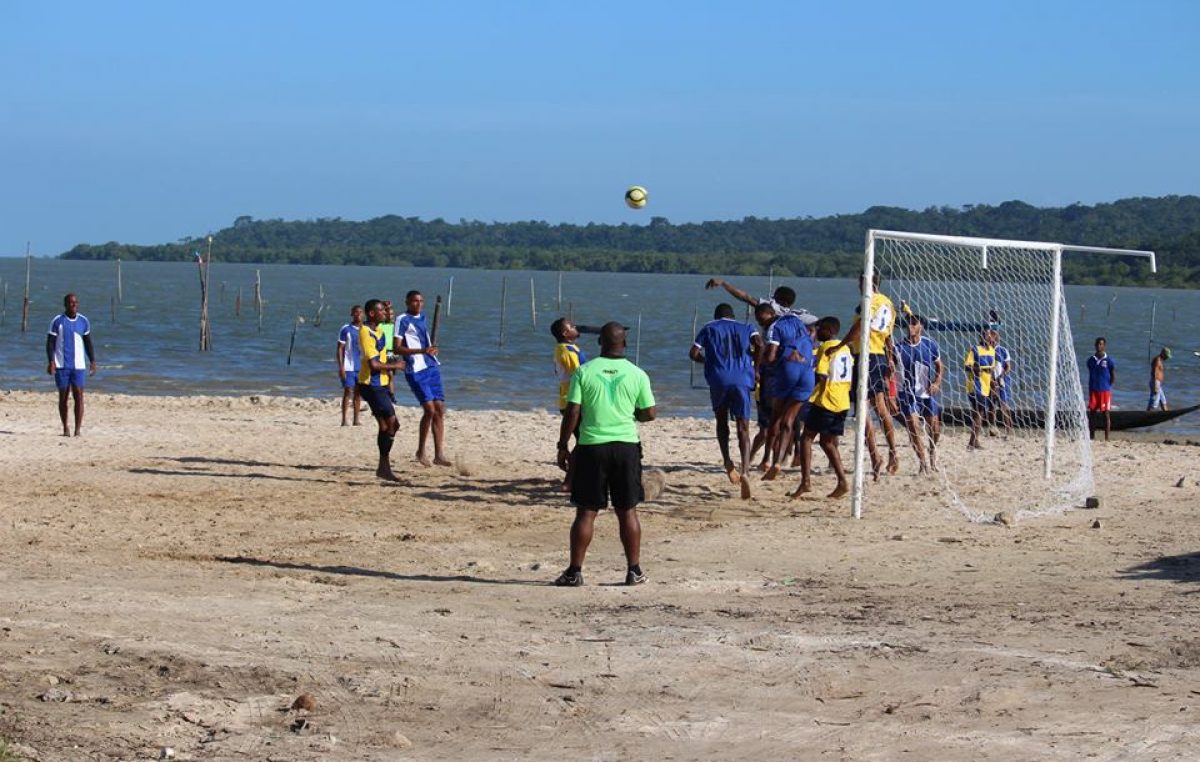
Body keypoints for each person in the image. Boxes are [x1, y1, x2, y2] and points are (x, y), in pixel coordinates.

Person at [554, 322, 656, 587]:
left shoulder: (584, 372)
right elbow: (650, 413)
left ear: (600, 342)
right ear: (624, 344)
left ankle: (575, 571)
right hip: (626, 447)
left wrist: (563, 445)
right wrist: (632, 413)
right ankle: (634, 570)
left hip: (592, 446)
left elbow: (573, 411)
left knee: (586, 512)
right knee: (627, 511)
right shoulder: (638, 374)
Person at [825, 272, 897, 474]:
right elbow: (889, 336)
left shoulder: (869, 300)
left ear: (863, 283)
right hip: (879, 355)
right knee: (881, 409)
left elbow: (859, 327)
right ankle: (892, 452)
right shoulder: (888, 303)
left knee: (863, 408)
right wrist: (890, 359)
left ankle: (875, 455)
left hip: (866, 356)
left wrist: (840, 345)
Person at [690, 303, 758, 499]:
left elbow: (693, 353)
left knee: (721, 421)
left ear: (716, 315)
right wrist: (756, 365)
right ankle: (745, 470)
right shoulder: (747, 328)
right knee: (743, 426)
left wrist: (708, 361)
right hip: (743, 379)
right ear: (733, 315)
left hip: (719, 379)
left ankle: (727, 461)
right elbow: (760, 344)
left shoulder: (709, 328)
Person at [791, 317, 853, 499]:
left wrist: (807, 393)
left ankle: (806, 481)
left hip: (827, 401)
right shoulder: (846, 349)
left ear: (827, 330)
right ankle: (841, 481)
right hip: (843, 401)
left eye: (819, 330)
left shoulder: (827, 347)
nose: (817, 333)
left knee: (806, 438)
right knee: (827, 442)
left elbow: (821, 375)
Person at [395, 290, 450, 467]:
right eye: (414, 301)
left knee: (439, 408)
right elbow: (397, 348)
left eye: (421, 301)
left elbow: (425, 341)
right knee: (429, 409)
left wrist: (431, 349)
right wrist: (421, 351)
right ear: (407, 302)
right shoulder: (402, 319)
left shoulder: (423, 318)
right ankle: (421, 450)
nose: (418, 304)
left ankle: (439, 453)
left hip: (431, 365)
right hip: (415, 368)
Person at [762, 309, 817, 481]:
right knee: (790, 420)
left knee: (776, 417)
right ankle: (779, 461)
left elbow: (770, 356)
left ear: (771, 315)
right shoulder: (803, 328)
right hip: (807, 375)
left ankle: (767, 459)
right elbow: (813, 334)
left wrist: (764, 363)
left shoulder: (776, 326)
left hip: (788, 371)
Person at [357, 299, 407, 481]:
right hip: (371, 384)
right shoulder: (365, 332)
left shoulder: (378, 329)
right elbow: (373, 364)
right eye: (381, 311)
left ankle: (383, 468)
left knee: (386, 426)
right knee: (393, 423)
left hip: (382, 384)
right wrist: (396, 365)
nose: (385, 314)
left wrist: (388, 310)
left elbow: (389, 328)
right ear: (371, 313)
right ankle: (383, 466)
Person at [894, 314, 944, 473]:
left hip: (927, 392)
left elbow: (940, 366)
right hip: (907, 393)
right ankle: (922, 463)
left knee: (935, 427)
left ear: (921, 326)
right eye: (908, 324)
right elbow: (889, 372)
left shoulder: (930, 345)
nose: (910, 327)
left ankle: (932, 453)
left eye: (914, 324)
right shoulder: (898, 348)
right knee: (914, 428)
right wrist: (891, 395)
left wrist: (937, 382)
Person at [46, 293, 97, 437]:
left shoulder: (83, 321)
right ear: (65, 305)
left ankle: (78, 429)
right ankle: (65, 428)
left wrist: (92, 361)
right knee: (63, 397)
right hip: (61, 364)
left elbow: (88, 342)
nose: (73, 305)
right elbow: (50, 343)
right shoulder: (57, 321)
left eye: (75, 302)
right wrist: (51, 362)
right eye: (70, 303)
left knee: (79, 396)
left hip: (79, 366)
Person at [551, 317, 588, 489]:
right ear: (565, 333)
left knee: (584, 441)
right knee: (584, 442)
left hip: (573, 399)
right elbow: (580, 374)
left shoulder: (569, 348)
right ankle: (569, 481)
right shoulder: (566, 350)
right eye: (572, 326)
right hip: (571, 400)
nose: (575, 327)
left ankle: (573, 479)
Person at [747, 302, 777, 470]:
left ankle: (763, 459)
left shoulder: (773, 331)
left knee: (767, 427)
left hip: (769, 384)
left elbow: (767, 353)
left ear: (771, 314)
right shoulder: (774, 330)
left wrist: (757, 369)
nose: (760, 322)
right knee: (773, 426)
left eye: (761, 318)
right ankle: (770, 459)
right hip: (774, 383)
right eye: (757, 320)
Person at [703, 278, 814, 321]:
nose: (772, 300)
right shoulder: (799, 316)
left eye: (775, 298)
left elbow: (746, 297)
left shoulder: (775, 310)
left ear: (783, 302)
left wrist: (724, 284)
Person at [964, 329, 997, 449]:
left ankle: (973, 440)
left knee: (980, 414)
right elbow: (967, 366)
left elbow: (991, 370)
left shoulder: (993, 351)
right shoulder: (975, 349)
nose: (989, 338)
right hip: (975, 385)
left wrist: (994, 384)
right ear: (982, 337)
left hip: (986, 386)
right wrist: (976, 369)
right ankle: (973, 442)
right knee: (979, 413)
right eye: (986, 336)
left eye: (991, 336)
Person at [336, 305, 364, 426]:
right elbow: (340, 348)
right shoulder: (346, 329)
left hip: (361, 366)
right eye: (355, 312)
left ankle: (356, 419)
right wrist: (341, 366)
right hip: (348, 366)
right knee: (348, 391)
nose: (358, 314)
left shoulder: (365, 329)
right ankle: (344, 419)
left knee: (358, 393)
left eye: (360, 312)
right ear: (352, 314)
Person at [1087, 337, 1116, 441]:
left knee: (1106, 414)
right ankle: (1091, 437)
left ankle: (1107, 438)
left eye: (1101, 344)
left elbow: (1113, 376)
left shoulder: (1109, 360)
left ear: (1104, 346)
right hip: (1093, 390)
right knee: (1092, 414)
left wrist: (1107, 386)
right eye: (1097, 344)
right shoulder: (1091, 360)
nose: (1099, 346)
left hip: (1104, 391)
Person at [989, 329, 1015, 437]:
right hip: (990, 382)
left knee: (1003, 405)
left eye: (990, 337)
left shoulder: (1003, 350)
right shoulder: (986, 351)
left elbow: (1008, 367)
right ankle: (992, 428)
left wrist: (1000, 377)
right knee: (991, 406)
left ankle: (1008, 429)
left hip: (1001, 382)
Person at [1148, 347, 1171, 411]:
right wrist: (1156, 385)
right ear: (1163, 354)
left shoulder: (1160, 360)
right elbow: (1155, 372)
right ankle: (1147, 415)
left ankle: (1167, 415)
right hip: (1156, 382)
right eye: (1166, 356)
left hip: (1158, 383)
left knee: (1163, 401)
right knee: (1154, 402)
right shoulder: (1157, 360)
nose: (1167, 358)